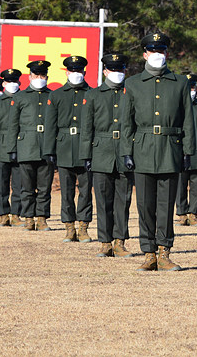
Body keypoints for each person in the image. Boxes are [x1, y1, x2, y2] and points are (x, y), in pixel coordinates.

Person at [121, 32, 195, 271]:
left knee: (166, 204)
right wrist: (126, 151)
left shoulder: (180, 83)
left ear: (167, 53)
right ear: (144, 54)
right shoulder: (132, 84)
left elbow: (188, 120)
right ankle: (148, 253)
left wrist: (188, 151)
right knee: (144, 204)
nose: (157, 55)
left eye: (161, 51)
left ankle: (164, 252)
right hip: (142, 147)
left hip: (170, 149)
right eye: (152, 51)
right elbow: (126, 121)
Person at [81, 53, 135, 258]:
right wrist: (85, 155)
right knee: (103, 200)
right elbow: (87, 127)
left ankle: (120, 241)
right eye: (113, 69)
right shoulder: (94, 94)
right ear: (105, 71)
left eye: (120, 69)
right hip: (101, 151)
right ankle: (105, 242)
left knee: (123, 200)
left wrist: (131, 151)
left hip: (124, 150)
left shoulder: (130, 92)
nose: (117, 73)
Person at [46, 55, 93, 243]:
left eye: (79, 70)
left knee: (85, 190)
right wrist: (49, 150)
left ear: (85, 72)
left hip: (85, 147)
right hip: (64, 146)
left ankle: (83, 227)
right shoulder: (56, 95)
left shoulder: (91, 93)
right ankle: (69, 227)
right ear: (66, 72)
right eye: (72, 70)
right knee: (66, 191)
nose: (76, 74)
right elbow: (50, 125)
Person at [8, 60, 54, 232]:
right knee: (26, 187)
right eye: (36, 75)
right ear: (30, 76)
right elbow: (13, 125)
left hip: (46, 146)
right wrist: (12, 149)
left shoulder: (52, 95)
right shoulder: (20, 97)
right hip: (26, 146)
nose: (39, 78)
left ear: (47, 77)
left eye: (42, 75)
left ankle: (41, 218)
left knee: (44, 187)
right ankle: (28, 218)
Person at [0, 69, 23, 226]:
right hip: (1, 147)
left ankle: (16, 214)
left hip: (21, 145)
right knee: (1, 183)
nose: (12, 84)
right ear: (3, 84)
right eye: (9, 82)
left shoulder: (24, 99)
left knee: (19, 184)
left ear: (19, 83)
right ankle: (3, 213)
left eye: (15, 81)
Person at [176, 74, 197, 226]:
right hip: (180, 149)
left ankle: (193, 213)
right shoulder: (177, 105)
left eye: (192, 87)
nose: (191, 90)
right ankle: (181, 213)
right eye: (188, 87)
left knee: (196, 184)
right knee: (180, 183)